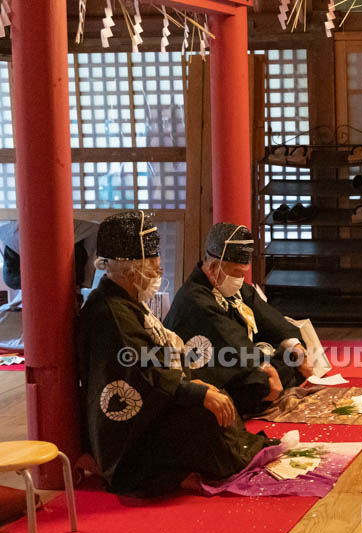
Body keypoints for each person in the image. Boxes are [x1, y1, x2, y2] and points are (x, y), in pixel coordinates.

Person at [77, 211, 271, 497]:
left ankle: (231, 456)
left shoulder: (126, 302)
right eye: (154, 270)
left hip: (158, 393)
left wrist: (198, 384)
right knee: (202, 414)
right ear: (132, 270)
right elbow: (143, 371)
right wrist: (194, 391)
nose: (157, 276)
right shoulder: (111, 312)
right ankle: (183, 473)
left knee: (218, 392)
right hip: (130, 430)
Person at [164, 223, 312, 416]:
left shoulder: (230, 285)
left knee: (293, 357)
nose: (240, 279)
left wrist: (295, 346)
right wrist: (266, 367)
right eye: (236, 273)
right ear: (214, 266)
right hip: (212, 368)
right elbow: (231, 339)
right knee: (261, 382)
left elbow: (269, 318)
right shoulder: (195, 298)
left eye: (243, 273)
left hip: (238, 358)